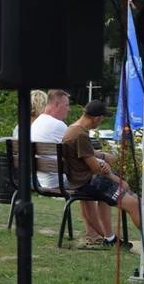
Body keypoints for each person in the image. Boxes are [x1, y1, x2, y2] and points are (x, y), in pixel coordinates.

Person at [62, 101, 144, 254]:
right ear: (97, 119)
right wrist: (117, 179)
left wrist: (101, 158)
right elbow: (95, 169)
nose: (101, 121)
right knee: (134, 205)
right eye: (102, 118)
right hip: (90, 182)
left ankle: (113, 239)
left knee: (136, 199)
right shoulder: (80, 134)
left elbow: (86, 156)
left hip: (81, 180)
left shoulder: (72, 129)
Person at [31, 89, 113, 246]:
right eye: (66, 105)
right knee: (87, 180)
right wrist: (103, 158)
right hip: (59, 180)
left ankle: (93, 234)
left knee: (83, 179)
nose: (68, 109)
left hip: (44, 179)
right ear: (56, 104)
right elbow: (82, 149)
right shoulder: (58, 126)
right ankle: (103, 235)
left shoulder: (37, 123)